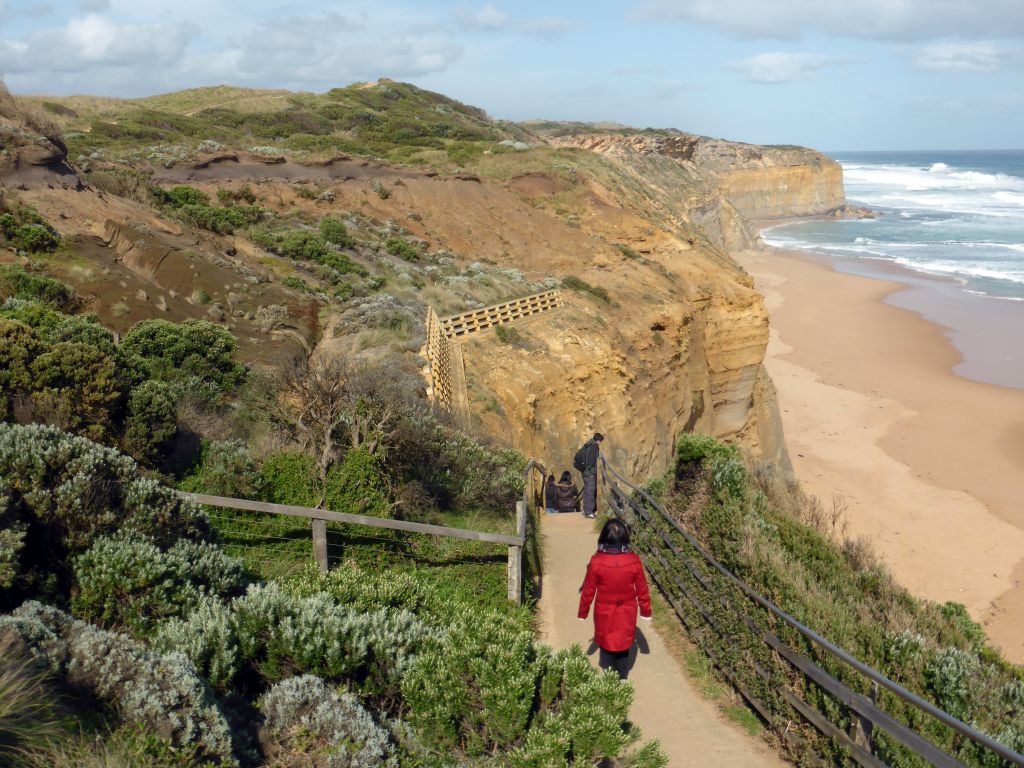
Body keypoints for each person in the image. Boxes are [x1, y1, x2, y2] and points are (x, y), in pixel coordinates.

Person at [577, 518, 652, 680]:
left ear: (604, 537)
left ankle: (608, 677)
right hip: (627, 609)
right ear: (625, 538)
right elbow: (642, 589)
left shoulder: (596, 560)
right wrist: (646, 611)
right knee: (624, 644)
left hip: (604, 609)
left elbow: (589, 590)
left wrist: (583, 612)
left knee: (605, 642)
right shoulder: (634, 560)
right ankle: (623, 678)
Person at [575, 432, 603, 518]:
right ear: (598, 440)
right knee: (590, 491)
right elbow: (591, 461)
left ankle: (585, 510)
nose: (600, 443)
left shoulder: (587, 444)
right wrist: (592, 471)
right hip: (589, 473)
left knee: (587, 491)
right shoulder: (594, 447)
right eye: (600, 441)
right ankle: (589, 512)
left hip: (584, 472)